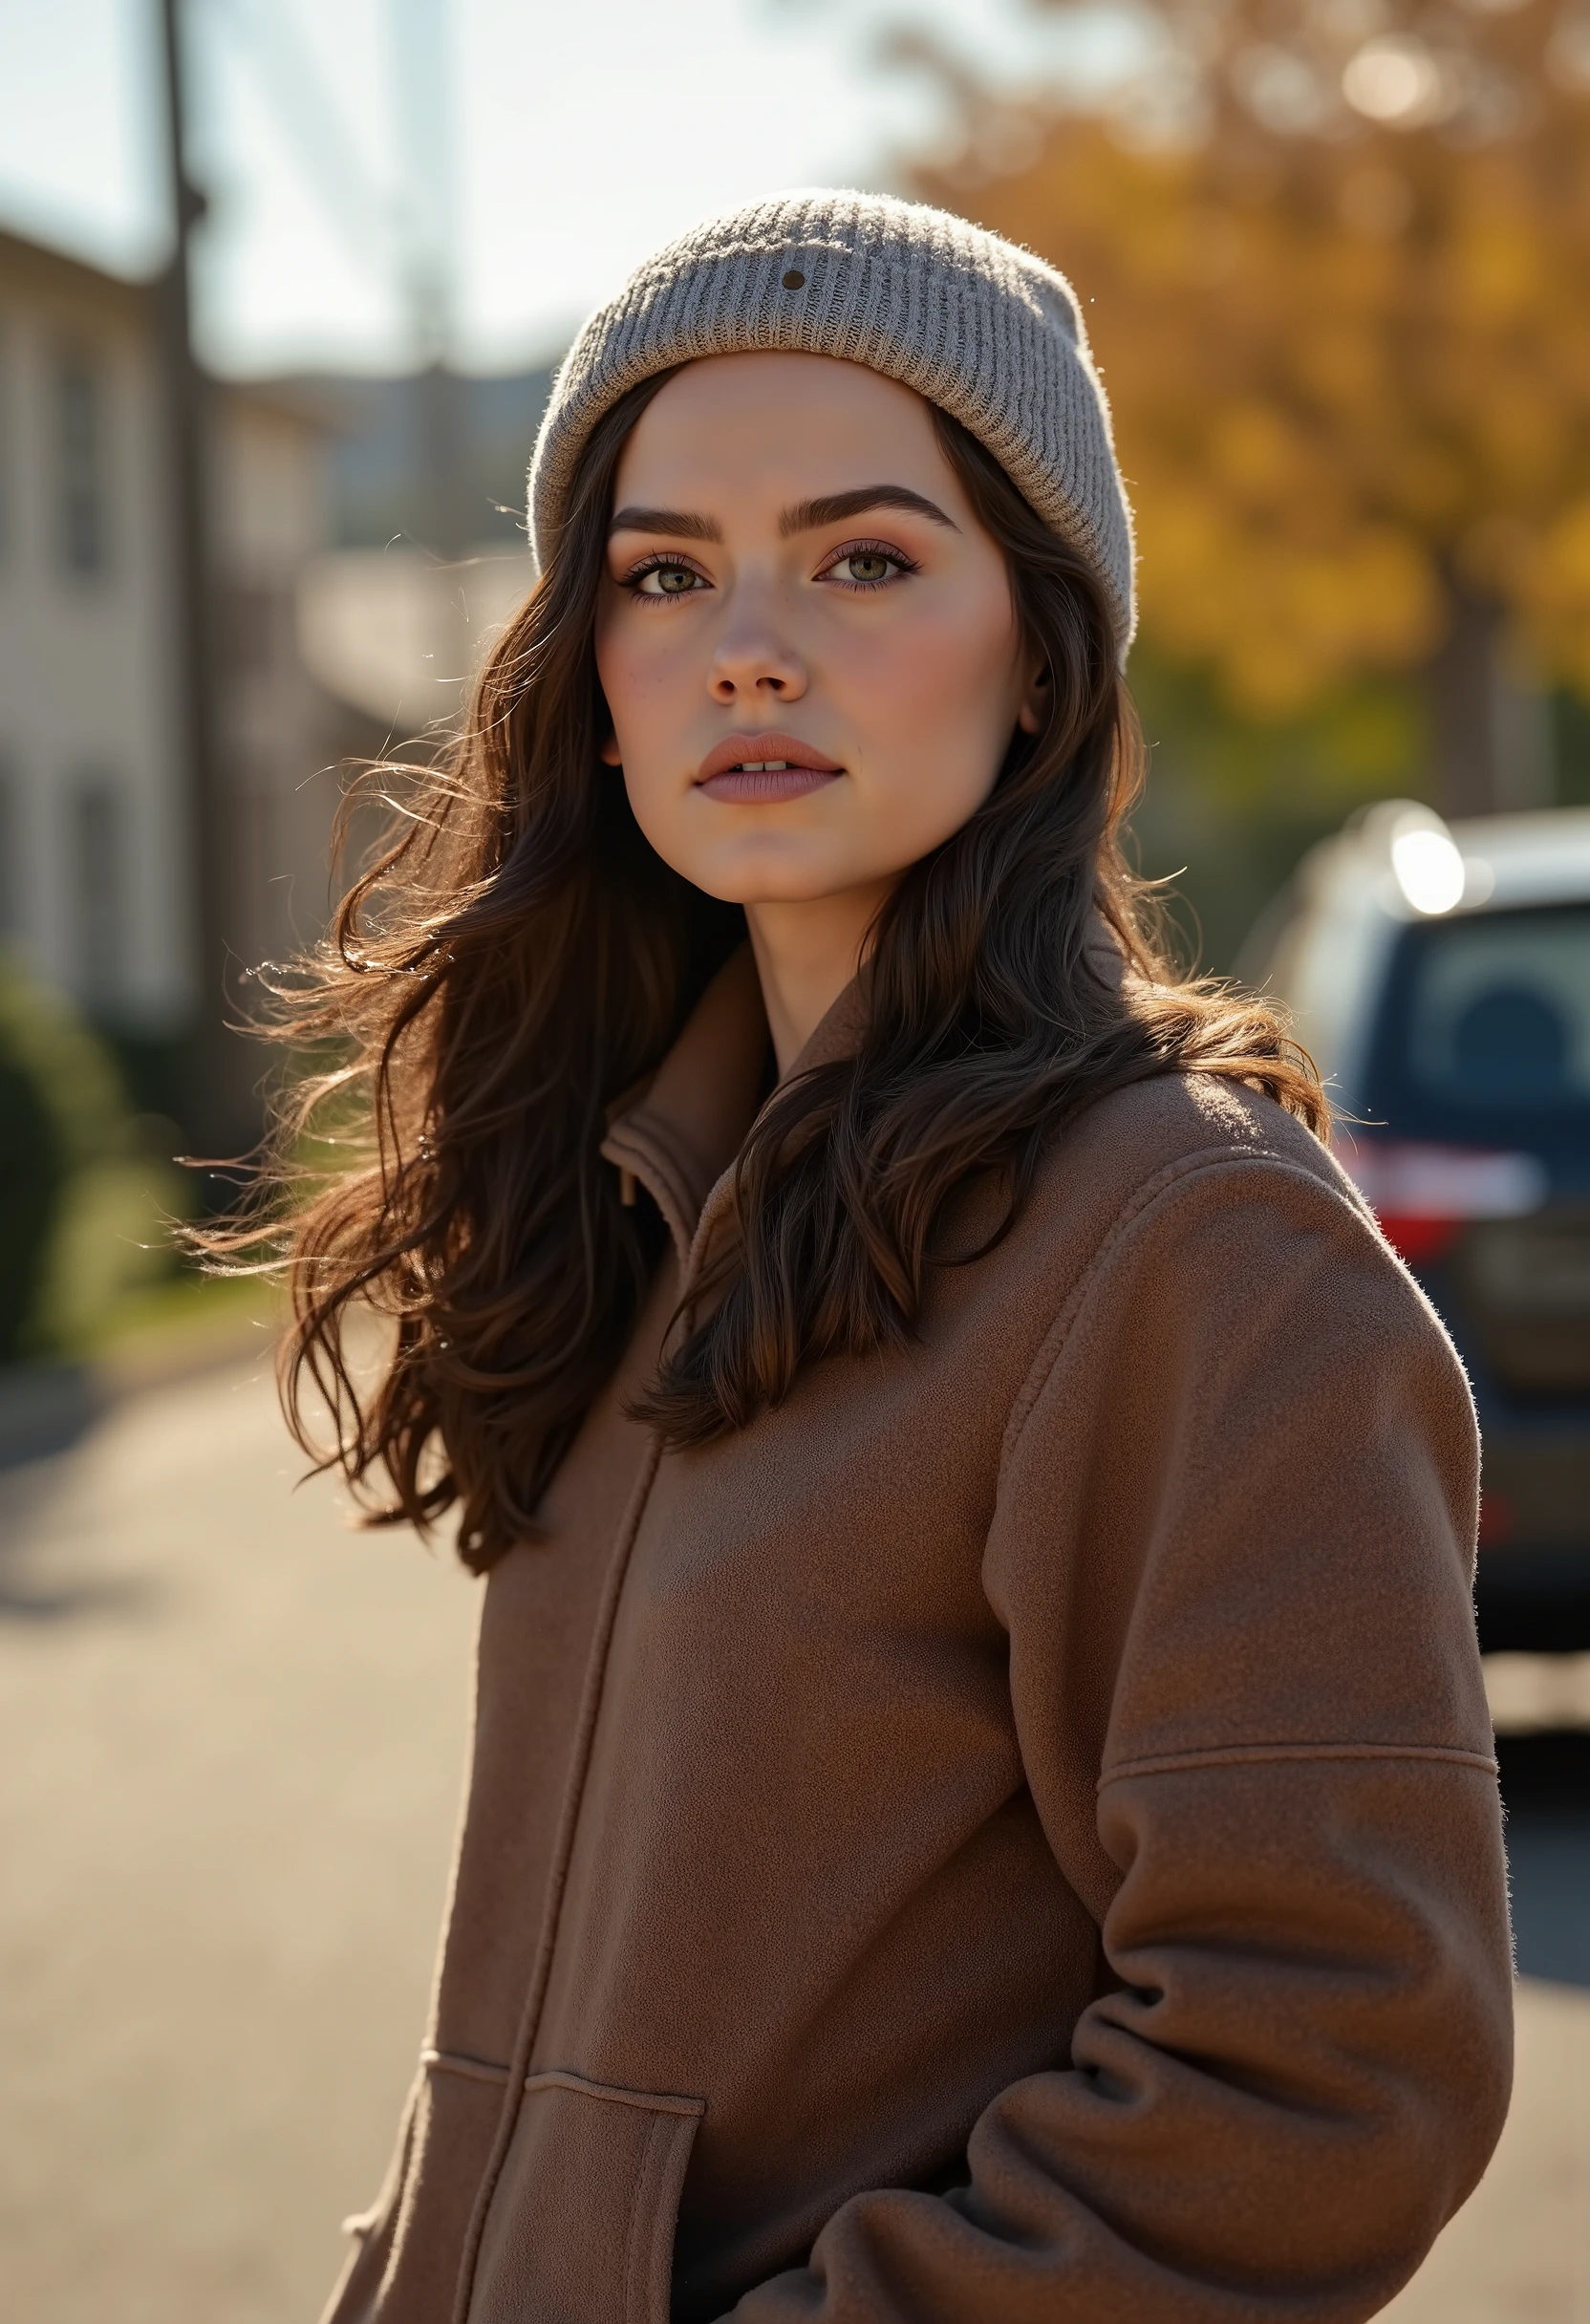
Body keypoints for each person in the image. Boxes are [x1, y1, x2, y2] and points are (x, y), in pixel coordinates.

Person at [271, 194, 1510, 2322]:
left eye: (863, 560)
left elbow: (1328, 2066)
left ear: (1041, 653)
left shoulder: (1190, 1243)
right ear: (593, 688)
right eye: (666, 574)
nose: (749, 647)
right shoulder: (647, 1199)